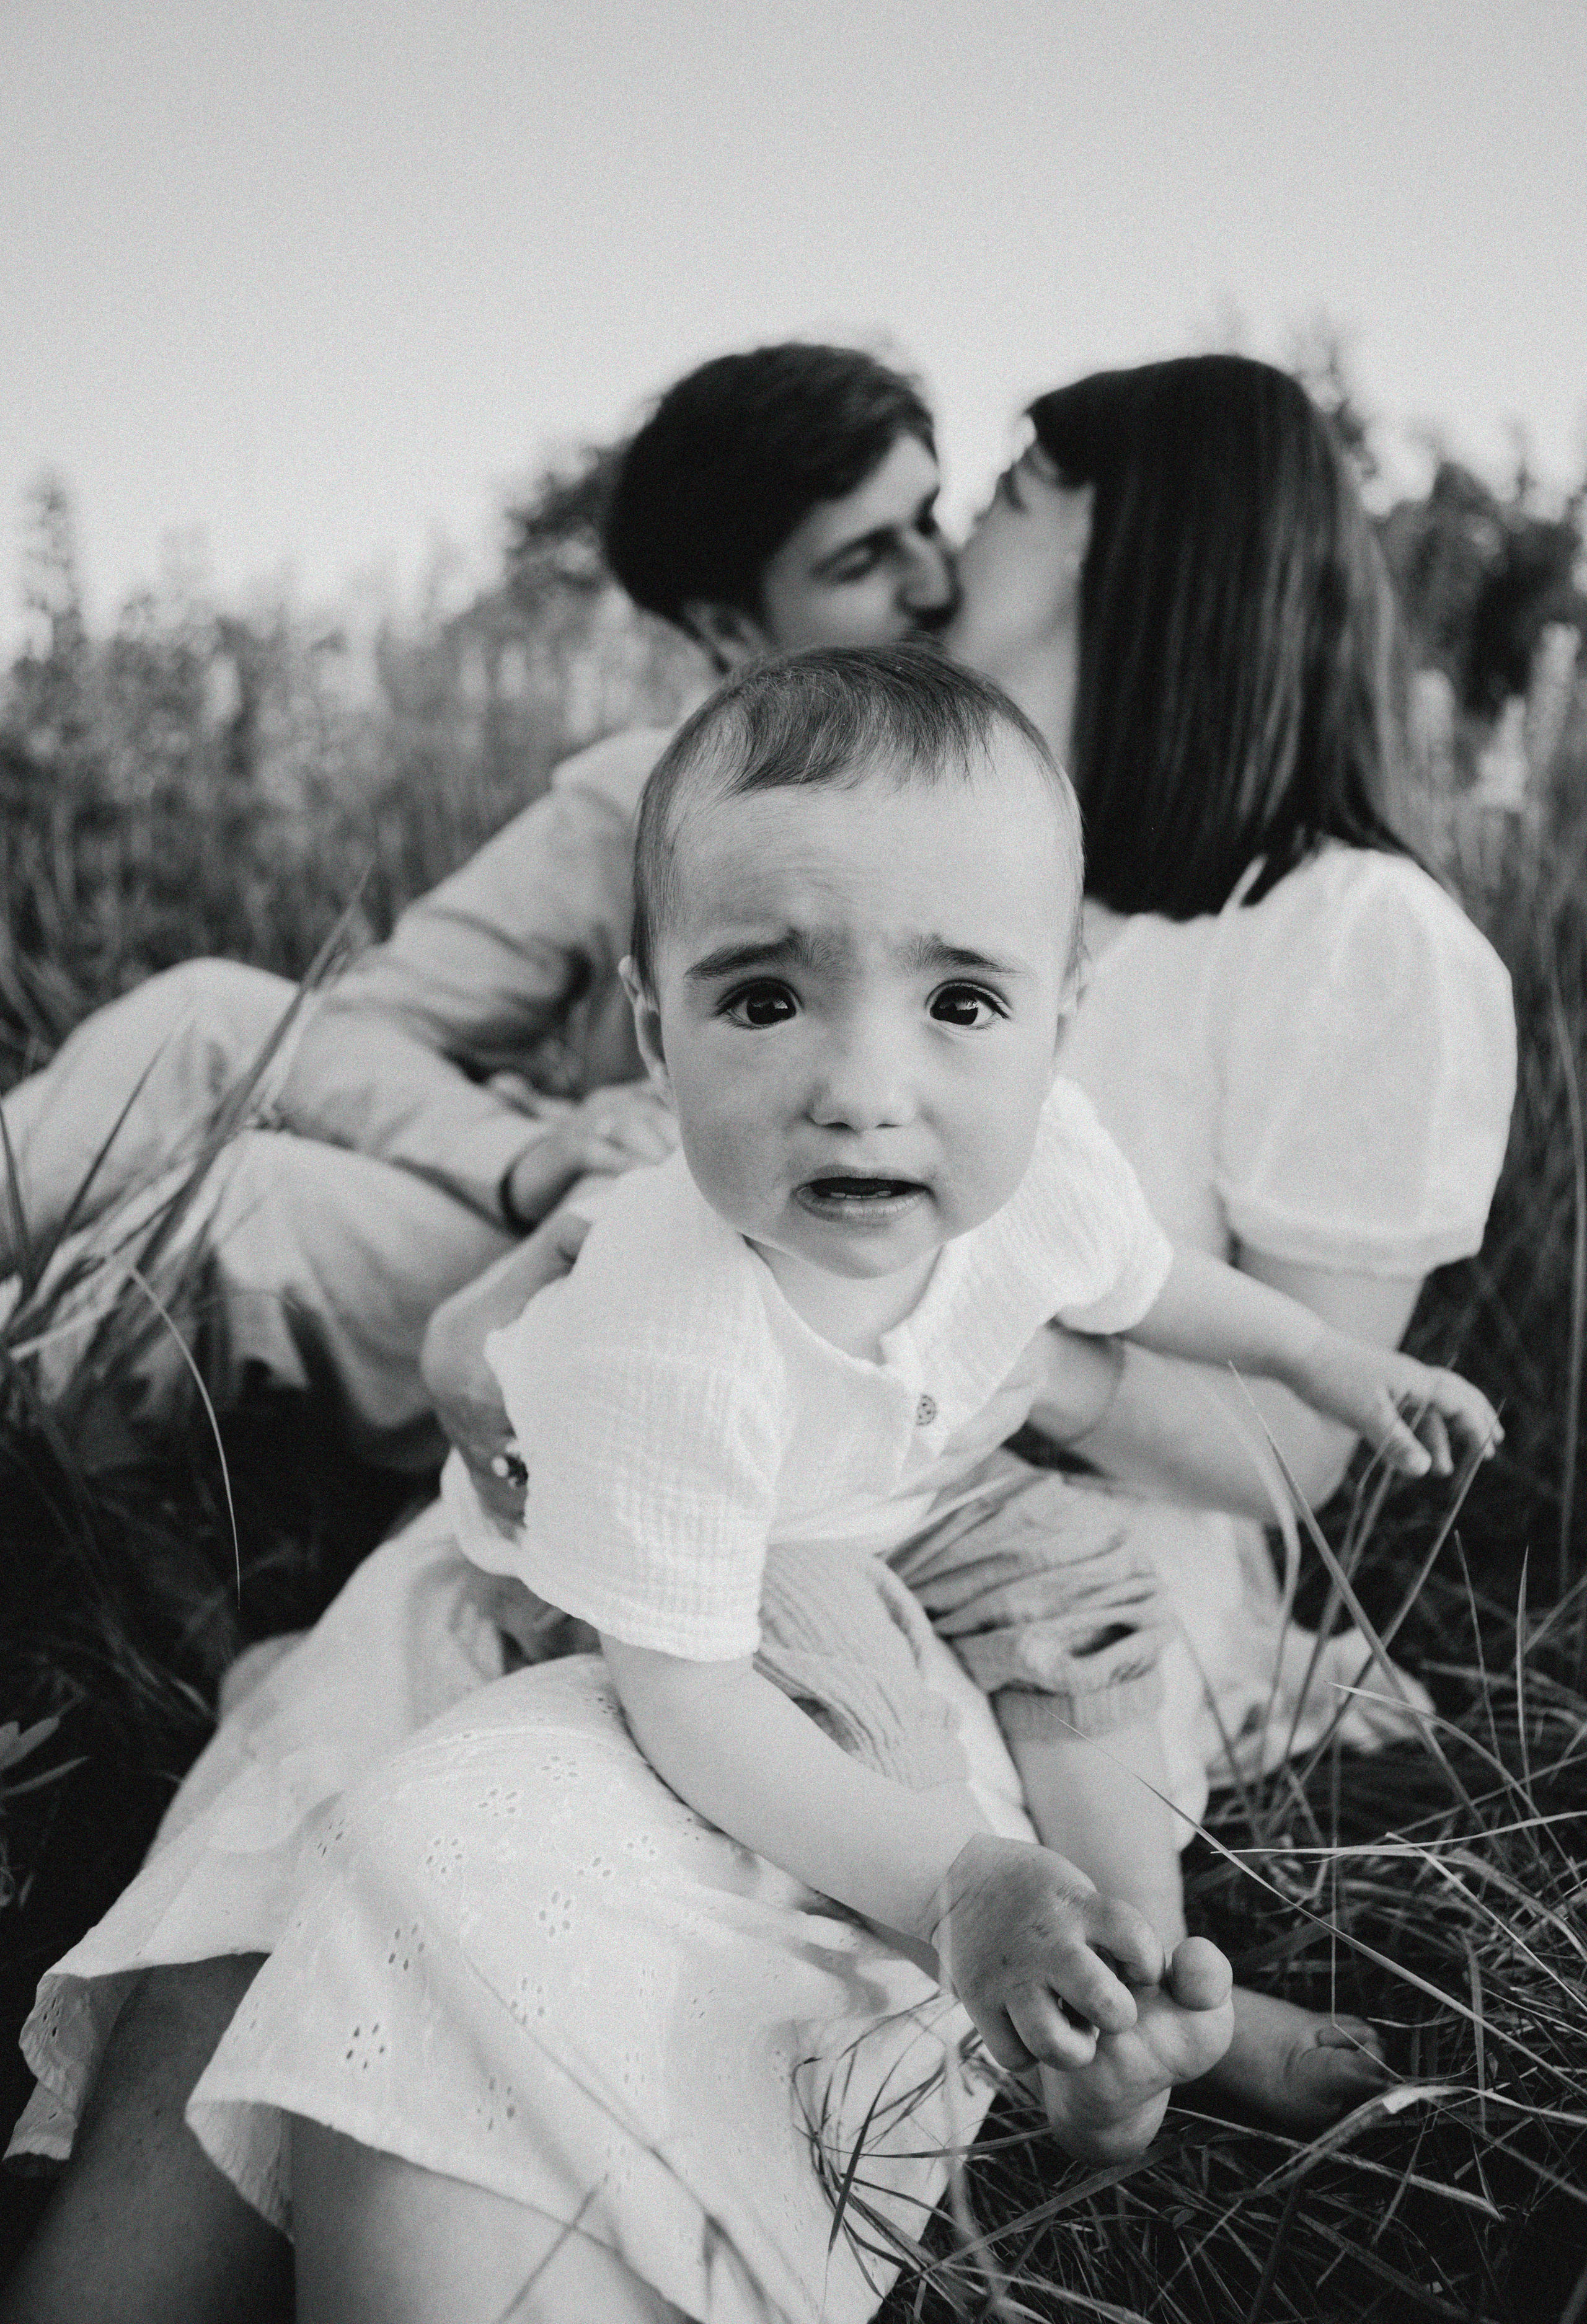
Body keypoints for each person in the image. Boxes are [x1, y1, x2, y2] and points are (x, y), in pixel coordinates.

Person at [2, 358, 1515, 2323]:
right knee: (360, 1699)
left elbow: (1252, 1413)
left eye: (1016, 486)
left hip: (1030, 1531)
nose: (958, 530)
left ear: (1165, 551)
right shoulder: (811, 823)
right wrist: (556, 1284)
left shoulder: (1340, 935)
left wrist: (972, 1341)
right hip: (732, 1449)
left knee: (548, 1786)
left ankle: (1130, 2002)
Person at [0, 343, 957, 1464]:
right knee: (206, 1012)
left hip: (727, 1322)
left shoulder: (1020, 804)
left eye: (933, 520)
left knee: (246, 1208)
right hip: (582, 1239)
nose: (937, 582)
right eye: (867, 560)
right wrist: (516, 1152)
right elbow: (362, 1026)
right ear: (731, 631)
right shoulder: (646, 799)